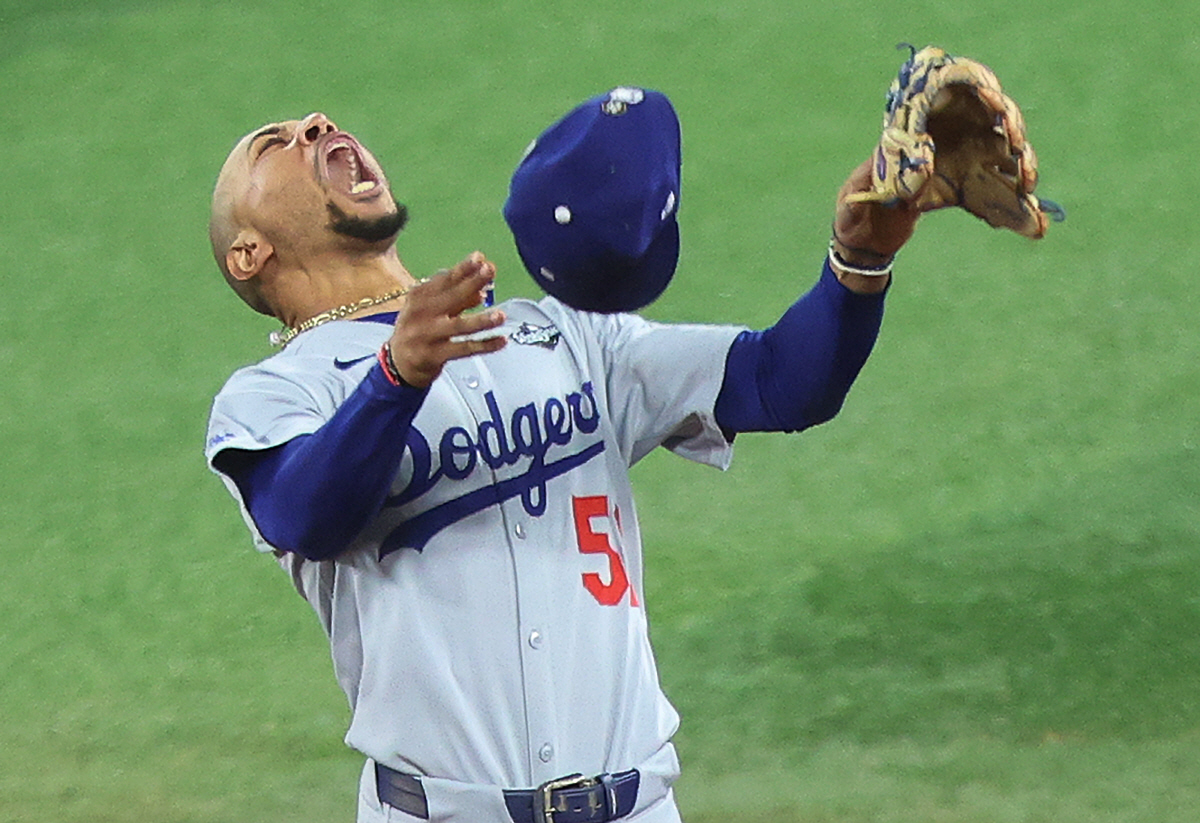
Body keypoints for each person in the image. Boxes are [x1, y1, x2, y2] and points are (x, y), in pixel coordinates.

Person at [204, 90, 917, 823]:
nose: (316, 124)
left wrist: (860, 260)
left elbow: (783, 382)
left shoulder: (561, 335)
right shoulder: (276, 394)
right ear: (248, 252)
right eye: (274, 143)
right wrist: (396, 378)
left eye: (312, 124)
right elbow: (305, 516)